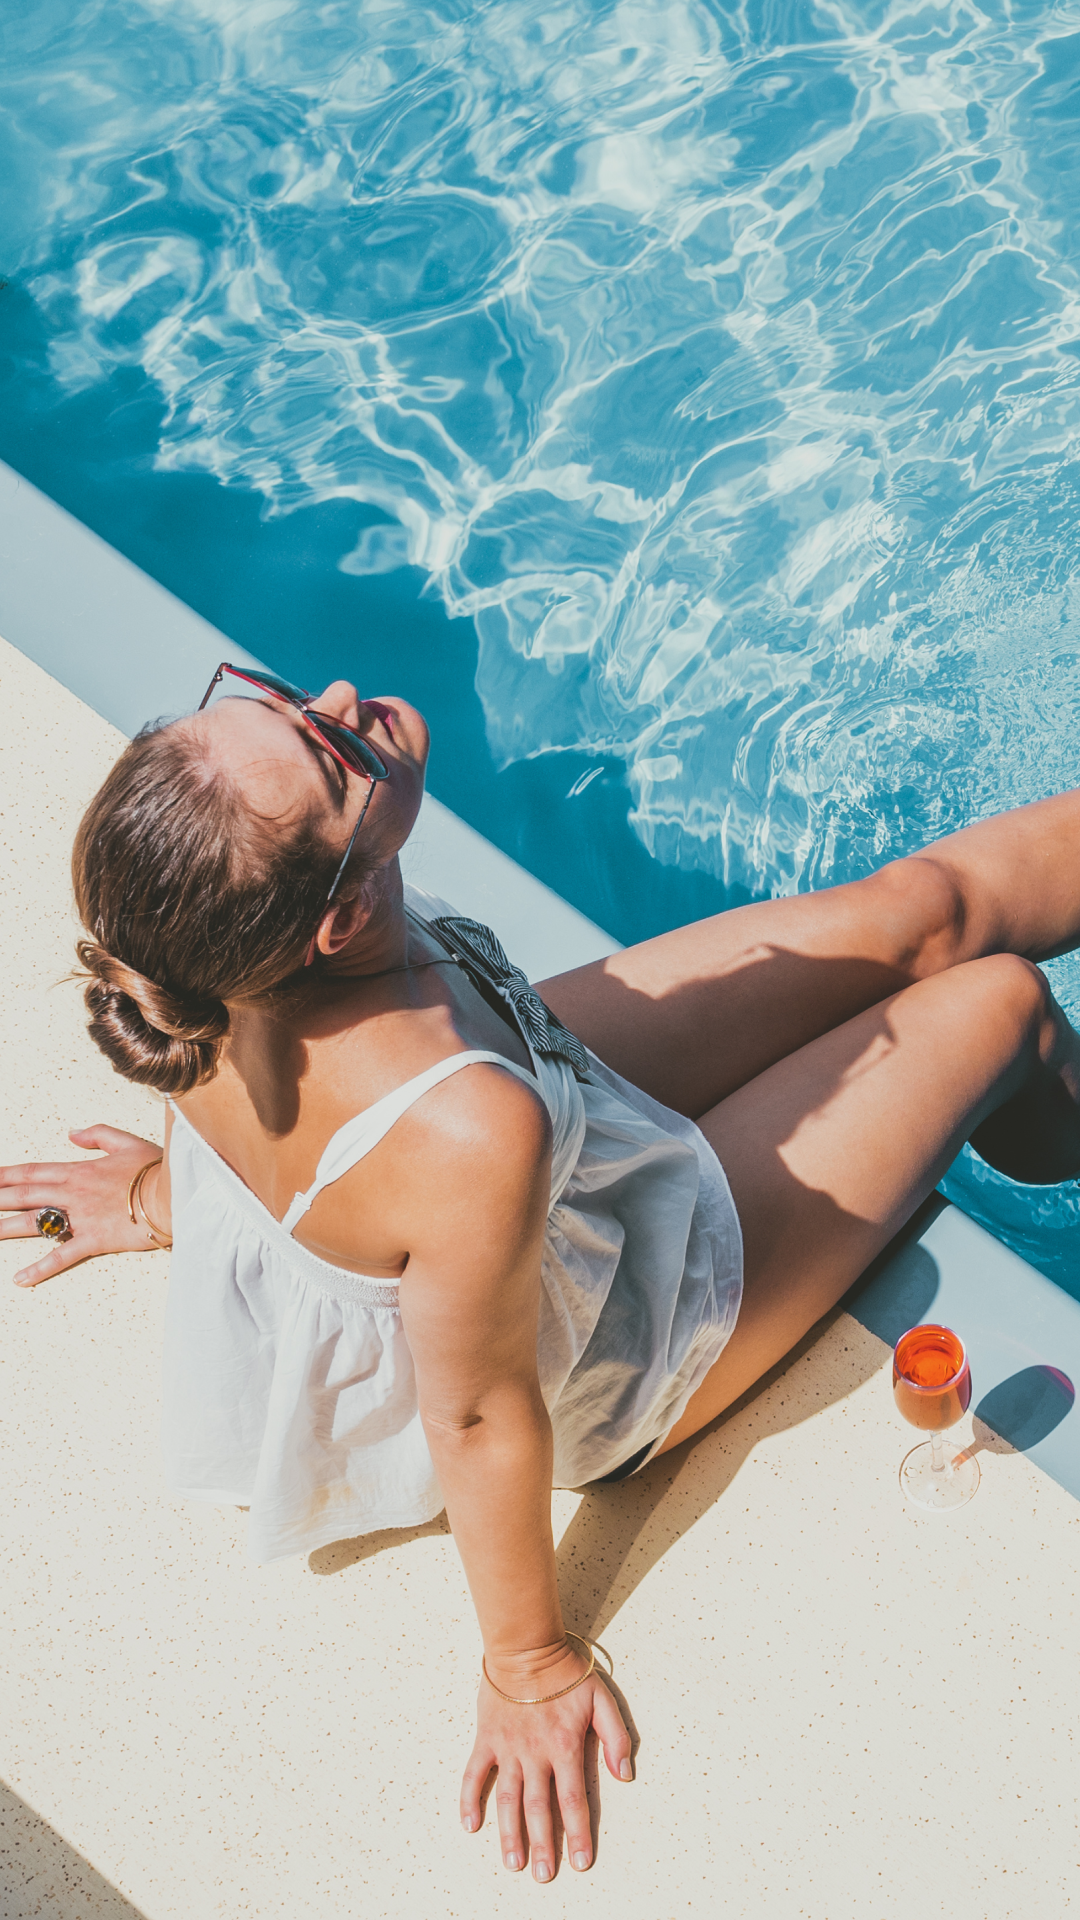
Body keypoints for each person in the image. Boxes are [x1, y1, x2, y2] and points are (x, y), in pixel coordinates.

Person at [4, 664, 1080, 1884]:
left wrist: (159, 1198)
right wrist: (527, 1663)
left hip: (559, 1111)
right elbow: (474, 1414)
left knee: (922, 913)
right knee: (1000, 1004)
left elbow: (236, 1141)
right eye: (328, 753)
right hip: (635, 1325)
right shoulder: (462, 1129)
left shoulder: (200, 960)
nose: (341, 697)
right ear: (340, 919)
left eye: (276, 699)